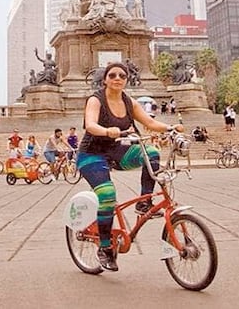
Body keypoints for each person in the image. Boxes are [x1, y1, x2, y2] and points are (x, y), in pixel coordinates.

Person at [77, 62, 183, 272]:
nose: (117, 78)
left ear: (126, 80)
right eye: (113, 75)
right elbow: (90, 125)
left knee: (152, 153)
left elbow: (150, 124)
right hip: (92, 154)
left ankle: (143, 202)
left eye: (122, 76)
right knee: (107, 195)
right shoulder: (95, 100)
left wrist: (171, 128)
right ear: (105, 79)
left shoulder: (129, 102)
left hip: (117, 152)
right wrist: (108, 131)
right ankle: (105, 249)